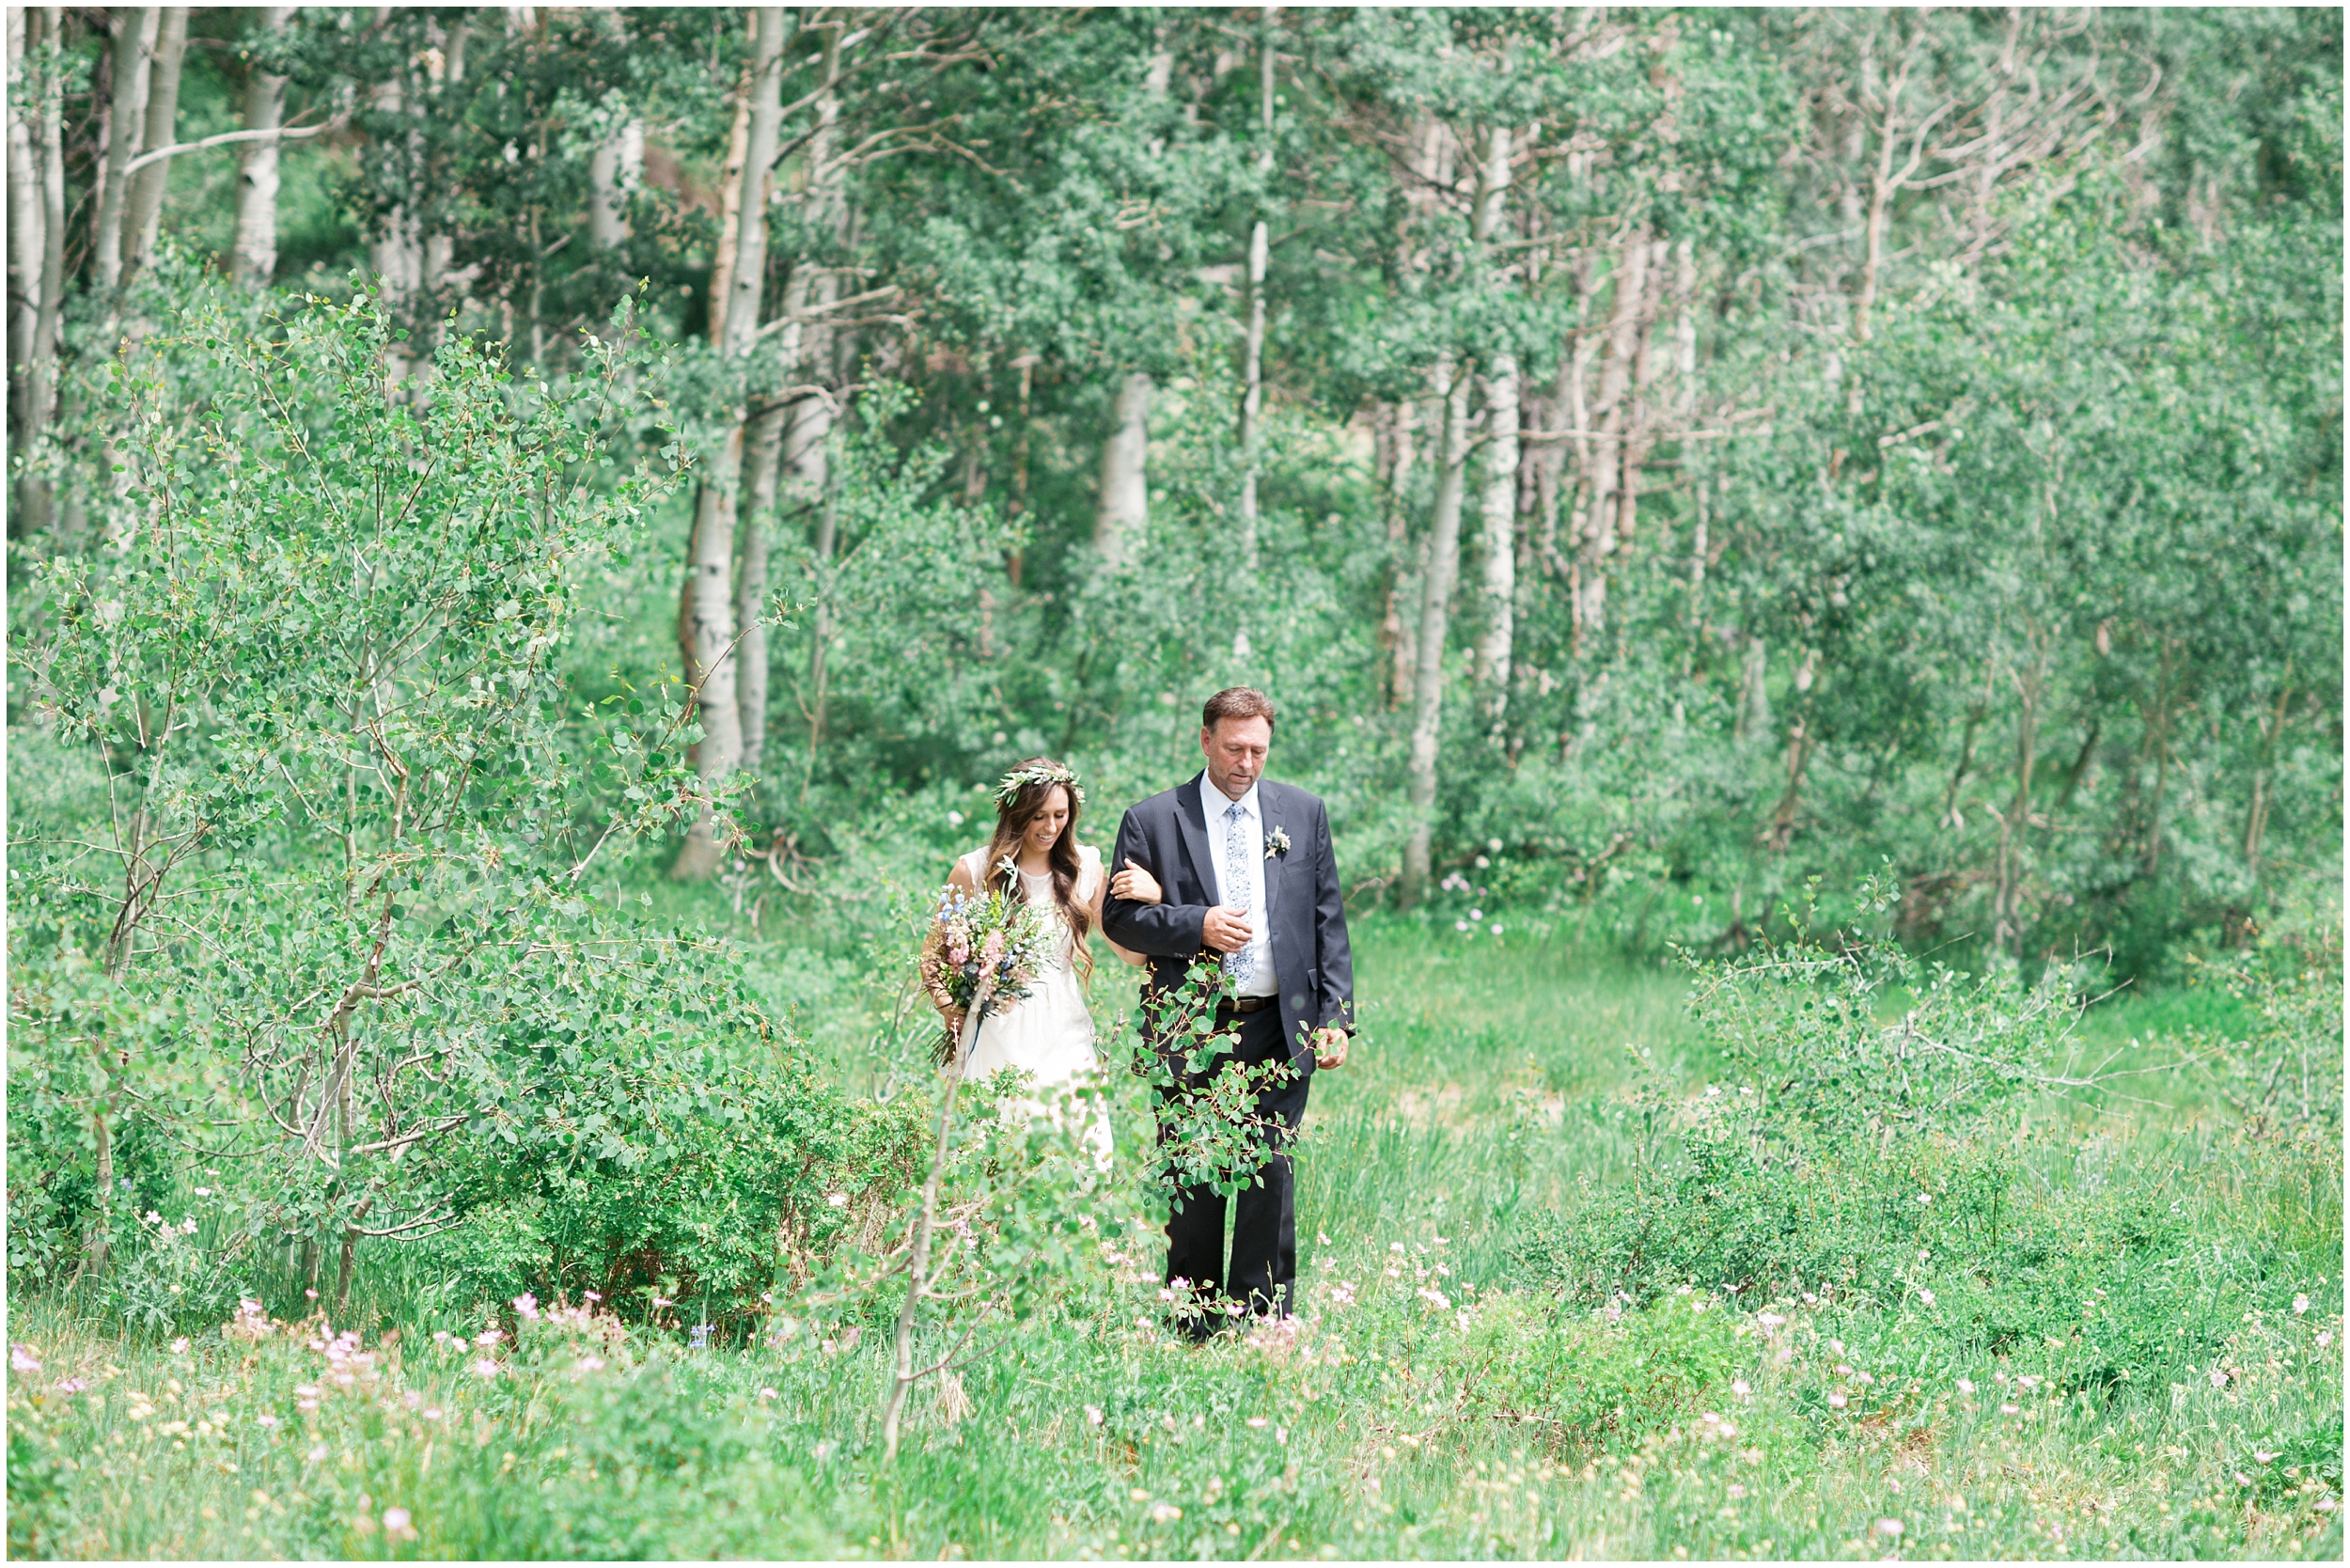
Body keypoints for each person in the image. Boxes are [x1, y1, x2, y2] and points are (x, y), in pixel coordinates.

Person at [1100, 687, 1355, 1334]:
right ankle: (1192, 1319)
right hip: (1192, 1024)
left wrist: (1336, 1016)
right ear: (1207, 739)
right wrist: (1197, 924)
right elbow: (1120, 920)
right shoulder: (1153, 819)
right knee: (1194, 1168)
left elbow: (1328, 921)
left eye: (1259, 750)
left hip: (1279, 1020)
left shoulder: (1302, 812)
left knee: (1269, 1169)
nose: (1247, 762)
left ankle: (1263, 1319)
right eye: (1235, 747)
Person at [935, 759, 1163, 1162]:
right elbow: (931, 959)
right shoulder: (973, 870)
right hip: (996, 1033)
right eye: (1038, 816)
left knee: (1076, 1157)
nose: (1050, 826)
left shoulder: (1084, 866)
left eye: (1060, 815)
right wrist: (954, 1014)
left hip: (1065, 1033)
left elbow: (1131, 952)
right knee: (997, 1156)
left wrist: (1157, 901)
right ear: (1015, 814)